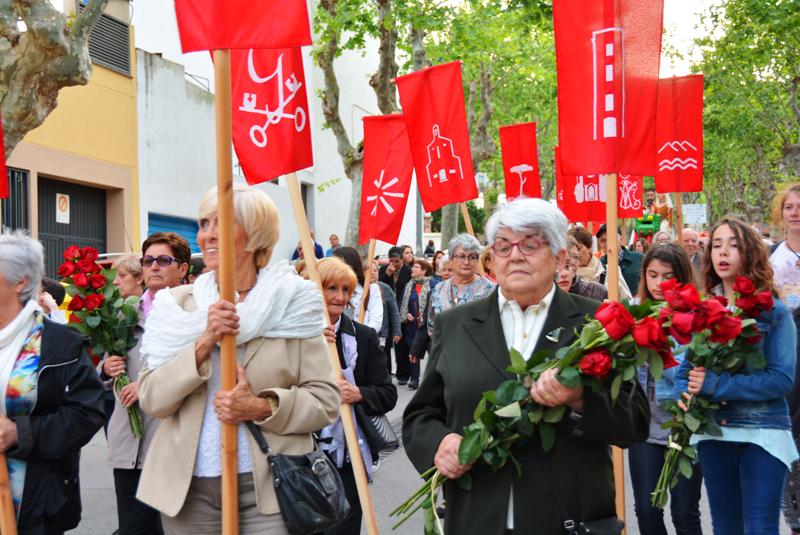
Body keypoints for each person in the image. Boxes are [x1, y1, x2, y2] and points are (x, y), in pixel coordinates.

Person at [403, 198, 649, 534]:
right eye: (503, 246)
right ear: (492, 259)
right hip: (478, 516)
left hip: (567, 518)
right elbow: (421, 415)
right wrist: (438, 444)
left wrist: (579, 398)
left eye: (530, 244)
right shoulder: (454, 324)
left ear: (560, 257)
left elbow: (634, 420)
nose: (515, 255)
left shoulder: (596, 322)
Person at [136, 184, 340, 534]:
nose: (207, 234)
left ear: (255, 233)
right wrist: (203, 342)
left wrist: (261, 407)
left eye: (222, 222)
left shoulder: (294, 303)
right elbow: (152, 398)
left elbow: (325, 401)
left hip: (272, 489)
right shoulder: (176, 306)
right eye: (203, 223)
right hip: (189, 493)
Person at [675, 216, 797, 535]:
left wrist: (716, 384)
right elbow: (686, 370)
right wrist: (683, 396)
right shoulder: (703, 309)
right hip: (716, 433)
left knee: (760, 527)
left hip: (764, 431)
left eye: (733, 244)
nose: (722, 252)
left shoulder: (773, 310)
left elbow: (781, 379)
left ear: (751, 253)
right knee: (726, 527)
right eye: (716, 245)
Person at [0, 232, 105, 533]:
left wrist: (18, 433)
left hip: (32, 503)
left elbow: (86, 414)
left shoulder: (60, 344)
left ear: (20, 281)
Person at [316, 258, 397, 535]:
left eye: (345, 290)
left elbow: (388, 393)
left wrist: (359, 393)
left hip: (350, 457)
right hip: (306, 456)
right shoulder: (294, 336)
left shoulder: (363, 337)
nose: (339, 297)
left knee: (344, 529)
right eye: (331, 288)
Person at [629, 243, 703, 535]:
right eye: (653, 275)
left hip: (684, 427)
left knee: (685, 513)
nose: (659, 284)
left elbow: (692, 375)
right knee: (646, 511)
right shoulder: (634, 312)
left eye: (668, 276)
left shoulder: (696, 317)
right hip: (645, 427)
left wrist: (659, 349)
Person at [104, 252, 163, 535]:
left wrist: (147, 386)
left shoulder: (175, 317)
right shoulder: (117, 318)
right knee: (132, 527)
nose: (116, 282)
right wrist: (107, 368)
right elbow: (103, 378)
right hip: (127, 442)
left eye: (122, 276)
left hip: (162, 441)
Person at [770, 184, 800, 533]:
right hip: (787, 362)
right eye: (789, 206)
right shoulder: (772, 260)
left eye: (799, 205)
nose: (794, 212)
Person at [427, 234, 496, 337]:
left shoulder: (490, 290)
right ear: (451, 259)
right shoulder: (439, 289)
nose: (466, 262)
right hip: (445, 350)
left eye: (472, 257)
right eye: (461, 256)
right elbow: (431, 326)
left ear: (477, 260)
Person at [139, 232, 191, 322]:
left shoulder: (196, 311)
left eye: (163, 260)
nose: (154, 267)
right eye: (148, 261)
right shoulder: (126, 313)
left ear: (183, 269)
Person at [399, 259, 435, 390]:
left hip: (429, 325)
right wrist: (406, 314)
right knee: (413, 351)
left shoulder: (433, 284)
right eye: (413, 267)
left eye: (416, 267)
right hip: (413, 326)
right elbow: (402, 303)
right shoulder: (409, 286)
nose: (412, 269)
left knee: (433, 353)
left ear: (424, 271)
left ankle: (433, 380)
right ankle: (414, 379)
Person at [380, 247, 412, 384]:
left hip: (402, 310)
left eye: (397, 261)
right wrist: (387, 274)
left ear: (402, 260)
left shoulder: (407, 271)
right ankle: (386, 373)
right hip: (386, 312)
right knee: (385, 345)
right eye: (391, 261)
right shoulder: (384, 270)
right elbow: (379, 287)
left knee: (401, 345)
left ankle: (403, 375)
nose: (394, 264)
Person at [571, 227, 633, 299]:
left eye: (578, 248)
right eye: (571, 250)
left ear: (589, 247)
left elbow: (627, 302)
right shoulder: (568, 277)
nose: (575, 253)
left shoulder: (612, 271)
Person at [333, 247, 383, 334]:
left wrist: (359, 336)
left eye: (336, 264)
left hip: (362, 342)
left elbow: (375, 322)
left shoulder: (371, 290)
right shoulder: (329, 289)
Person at [596, 223, 644, 294]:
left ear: (621, 239)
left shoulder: (639, 258)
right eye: (603, 240)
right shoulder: (599, 264)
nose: (607, 243)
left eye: (610, 239)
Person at [557, 236, 607, 301]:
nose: (573, 262)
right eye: (558, 266)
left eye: (575, 257)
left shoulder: (599, 292)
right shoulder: (542, 296)